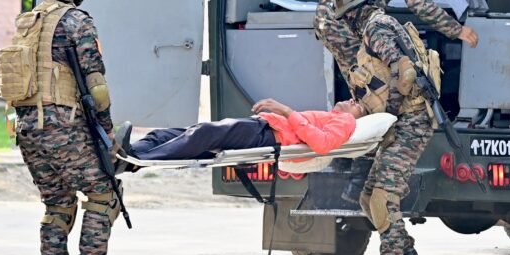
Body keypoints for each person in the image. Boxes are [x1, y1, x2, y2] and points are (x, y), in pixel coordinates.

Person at [313, 0, 479, 202]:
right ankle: (360, 176)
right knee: (376, 96)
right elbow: (419, 3)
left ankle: (344, 157)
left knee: (359, 92)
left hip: (328, 24)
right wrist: (458, 30)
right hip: (355, 27)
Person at [0, 0, 128, 255]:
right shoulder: (78, 22)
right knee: (104, 195)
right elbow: (97, 88)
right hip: (64, 126)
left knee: (57, 205)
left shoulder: (28, 21)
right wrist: (109, 137)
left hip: (27, 128)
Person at [332, 0, 445, 255]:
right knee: (368, 198)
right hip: (407, 121)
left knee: (383, 199)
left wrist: (391, 111)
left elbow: (402, 70)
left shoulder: (376, 29)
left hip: (410, 122)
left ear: (353, 14)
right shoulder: (381, 24)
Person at [121, 98, 366, 163]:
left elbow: (322, 144)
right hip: (262, 127)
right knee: (169, 134)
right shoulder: (334, 117)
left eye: (360, 106)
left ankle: (138, 158)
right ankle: (131, 152)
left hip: (268, 134)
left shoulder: (346, 122)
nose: (353, 101)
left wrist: (286, 111)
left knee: (204, 133)